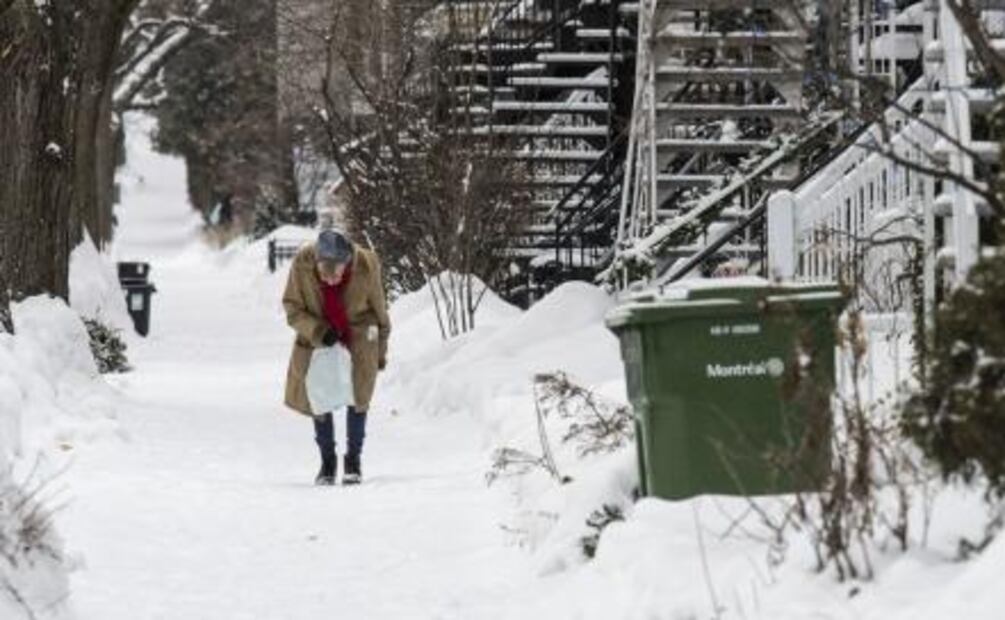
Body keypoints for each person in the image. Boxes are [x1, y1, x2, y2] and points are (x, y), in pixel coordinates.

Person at [282, 229, 391, 485]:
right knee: (320, 399)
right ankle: (327, 462)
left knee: (358, 399)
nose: (331, 282)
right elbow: (292, 307)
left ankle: (353, 460)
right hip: (318, 339)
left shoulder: (367, 263)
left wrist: (380, 352)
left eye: (337, 276)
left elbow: (380, 311)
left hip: (360, 337)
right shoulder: (302, 263)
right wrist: (319, 330)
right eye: (324, 277)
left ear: (347, 264)